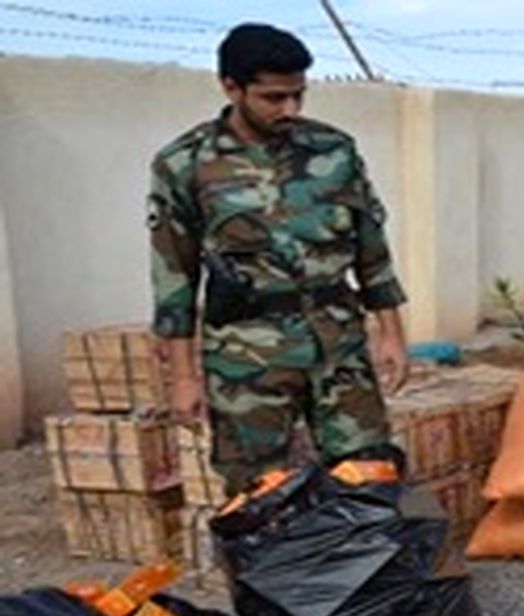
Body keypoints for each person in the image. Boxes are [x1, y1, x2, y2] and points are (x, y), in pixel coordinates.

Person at [149, 23, 409, 493]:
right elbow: (174, 278)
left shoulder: (334, 150)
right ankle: (270, 569)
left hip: (339, 347)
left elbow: (371, 248)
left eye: (298, 96)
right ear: (230, 86)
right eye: (273, 98)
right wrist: (184, 378)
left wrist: (392, 335)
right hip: (248, 358)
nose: (290, 109)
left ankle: (364, 567)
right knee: (257, 494)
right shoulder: (185, 165)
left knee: (370, 476)